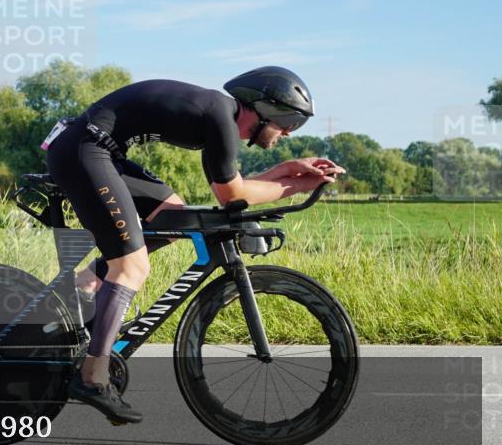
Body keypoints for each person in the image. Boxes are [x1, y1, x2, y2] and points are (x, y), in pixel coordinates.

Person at [42, 66, 345, 423]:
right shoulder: (220, 118)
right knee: (133, 266)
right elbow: (233, 195)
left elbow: (234, 187)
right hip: (84, 150)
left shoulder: (220, 115)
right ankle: (92, 377)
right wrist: (298, 185)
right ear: (267, 110)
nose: (289, 132)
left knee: (173, 218)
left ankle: (86, 285)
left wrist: (286, 171)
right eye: (289, 122)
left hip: (97, 149)